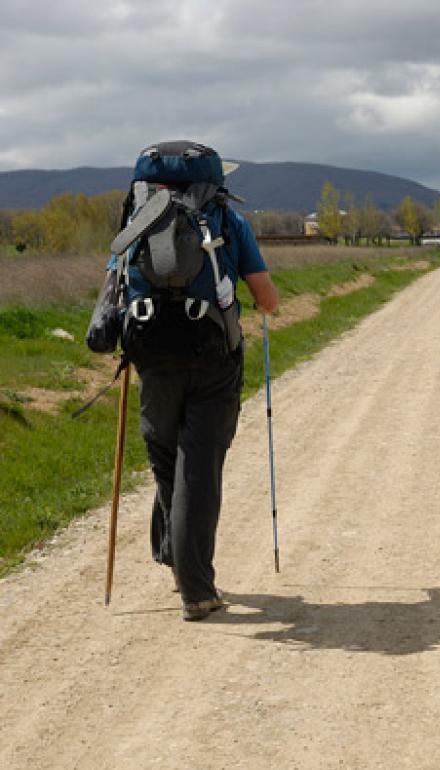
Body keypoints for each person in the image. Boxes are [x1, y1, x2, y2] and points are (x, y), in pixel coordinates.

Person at [103, 141, 279, 621]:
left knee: (166, 459)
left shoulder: (137, 219)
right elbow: (265, 298)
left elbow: (115, 287)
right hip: (213, 359)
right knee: (198, 470)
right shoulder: (227, 221)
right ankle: (197, 590)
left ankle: (175, 557)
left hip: (152, 357)